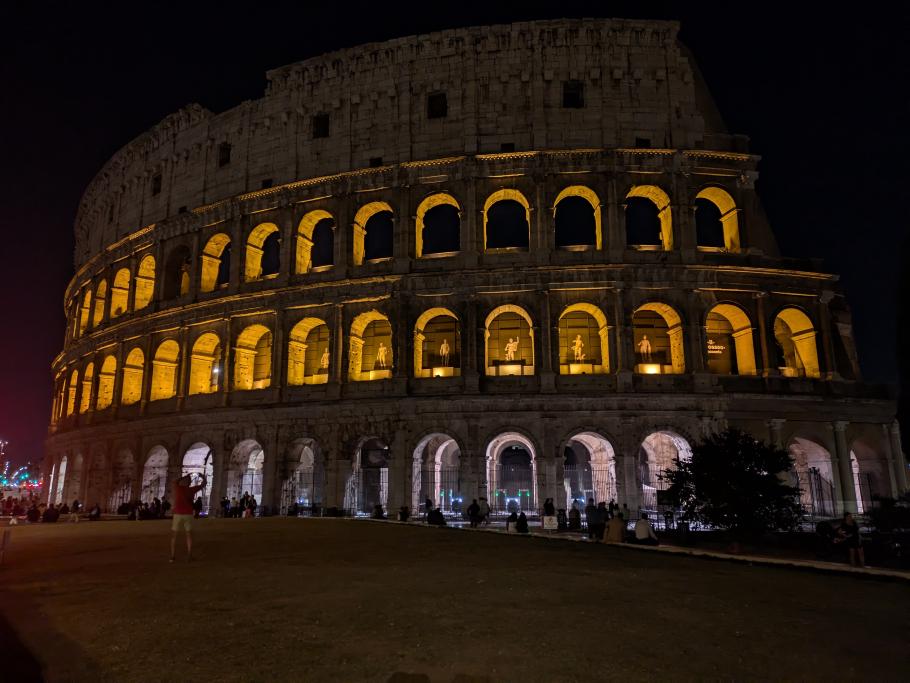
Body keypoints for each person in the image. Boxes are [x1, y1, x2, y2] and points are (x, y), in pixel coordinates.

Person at [170, 473, 206, 562]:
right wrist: (203, 477)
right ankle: (189, 555)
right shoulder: (191, 490)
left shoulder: (177, 488)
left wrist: (184, 476)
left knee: (174, 536)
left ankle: (172, 556)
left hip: (177, 513)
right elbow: (203, 484)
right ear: (190, 483)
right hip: (188, 514)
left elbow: (175, 481)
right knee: (189, 535)